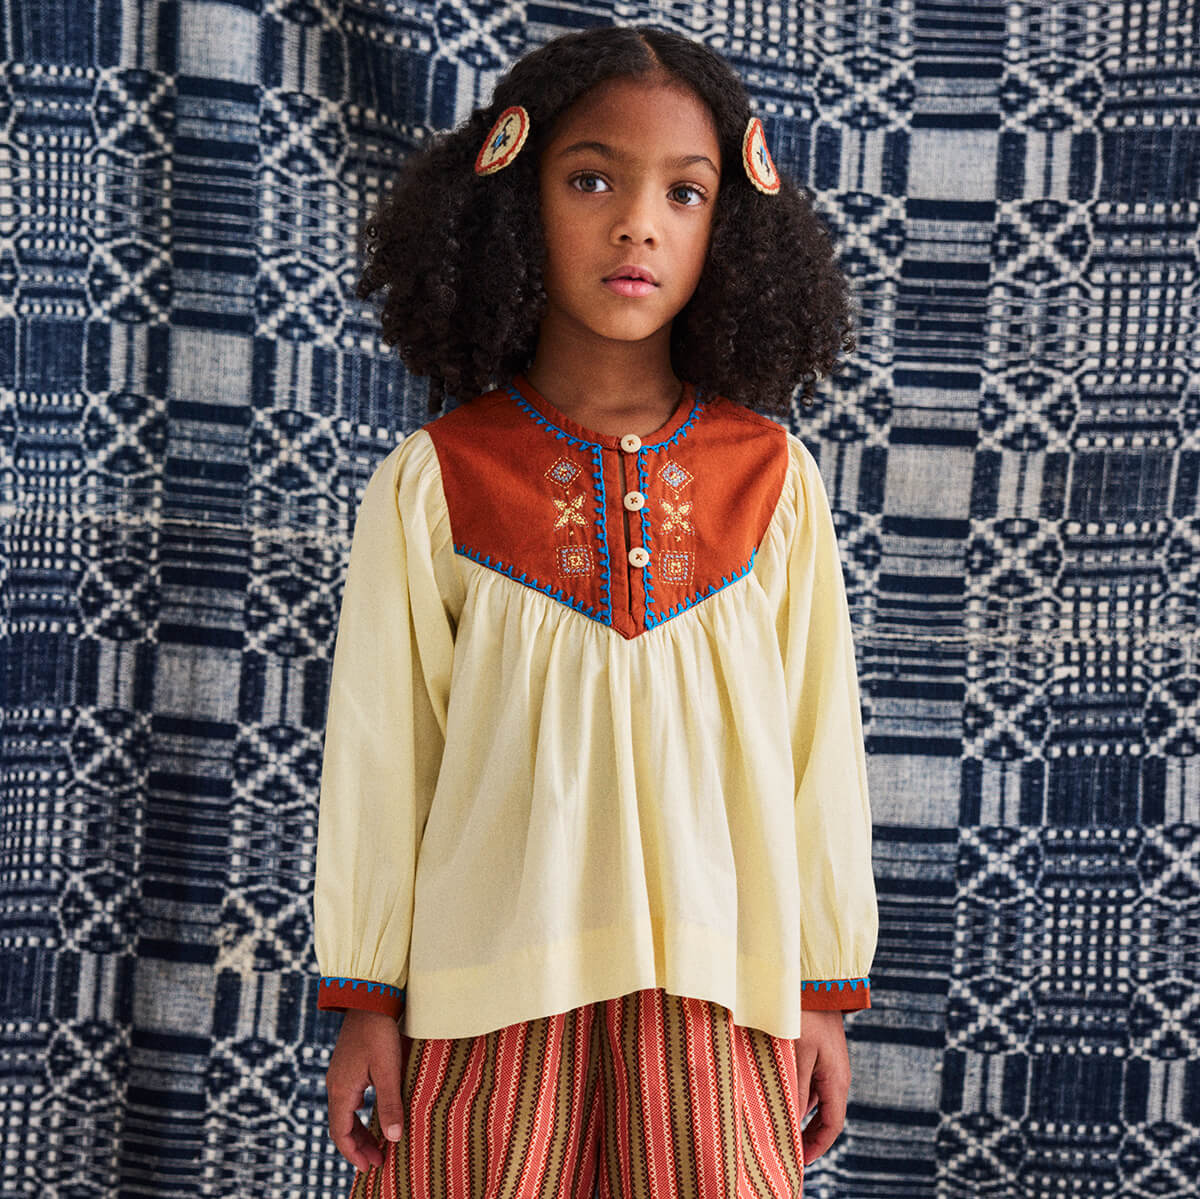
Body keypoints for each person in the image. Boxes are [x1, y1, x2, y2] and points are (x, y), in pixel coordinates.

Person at [312, 23, 878, 1199]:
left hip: (719, 997)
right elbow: (382, 756)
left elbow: (820, 753)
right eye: (591, 181)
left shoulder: (773, 481)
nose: (638, 224)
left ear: (731, 228)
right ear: (516, 204)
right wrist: (369, 994)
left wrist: (822, 986)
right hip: (482, 995)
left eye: (684, 192)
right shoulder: (436, 481)